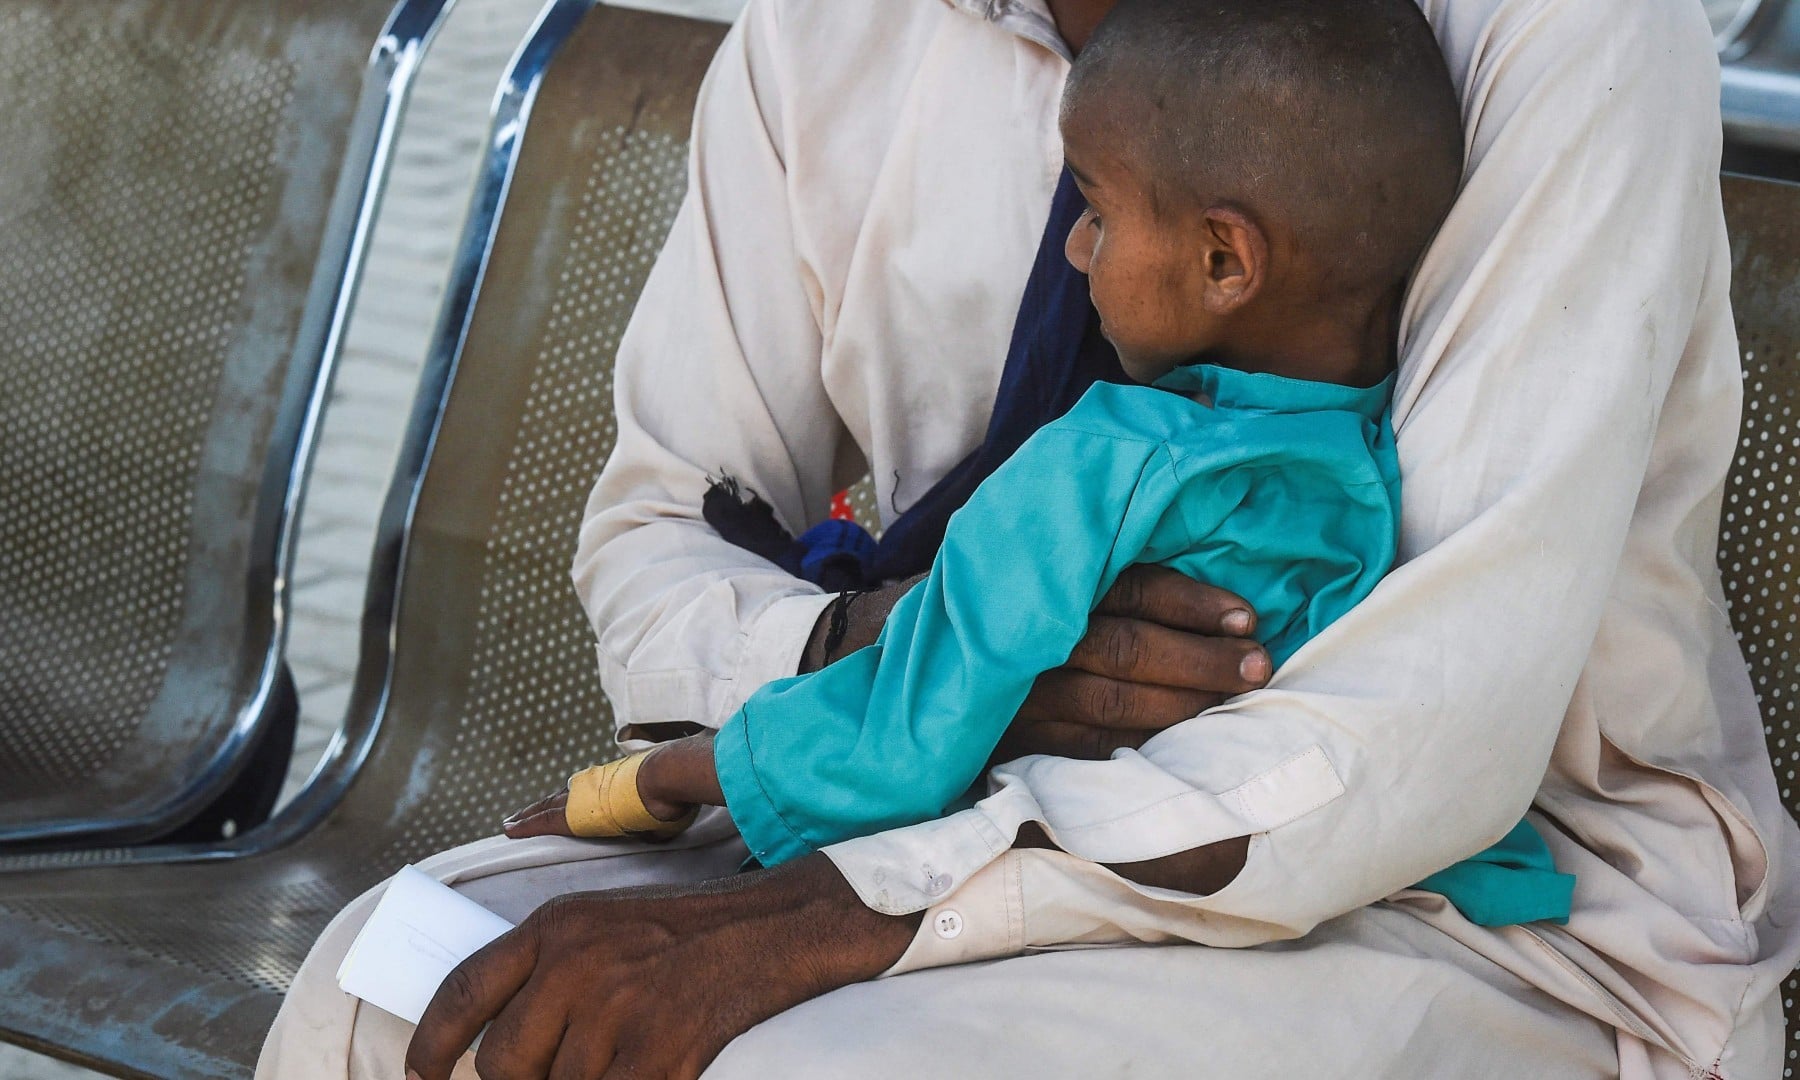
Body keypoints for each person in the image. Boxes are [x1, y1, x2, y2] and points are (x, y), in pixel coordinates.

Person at [256, 0, 1800, 1076]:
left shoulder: (1564, 27)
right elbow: (665, 522)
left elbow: (1422, 735)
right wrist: (902, 651)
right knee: (393, 983)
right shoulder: (828, 34)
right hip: (923, 782)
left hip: (1481, 901)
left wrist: (841, 903)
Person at [503, 0, 1574, 932]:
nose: (1075, 246)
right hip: (1406, 880)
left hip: (1096, 873)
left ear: (1222, 261)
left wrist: (654, 781)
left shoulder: (1097, 469)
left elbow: (902, 737)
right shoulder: (1371, 460)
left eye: (1096, 215)